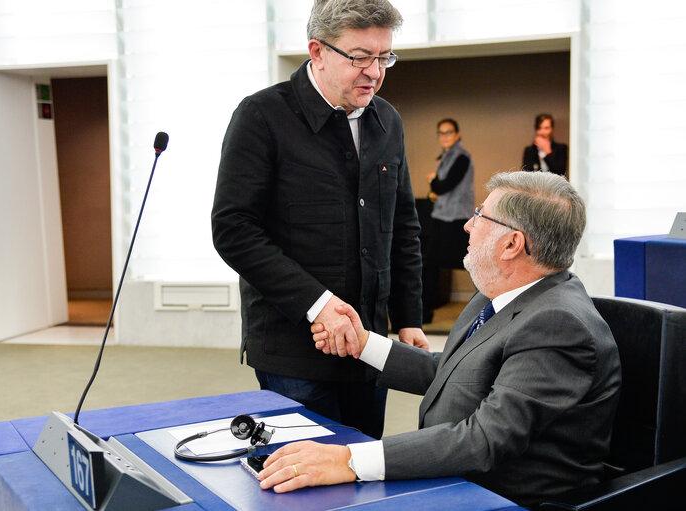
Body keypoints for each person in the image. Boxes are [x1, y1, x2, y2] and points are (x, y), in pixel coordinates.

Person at [256, 171, 622, 508]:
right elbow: (456, 371)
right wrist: (364, 343)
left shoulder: (559, 327)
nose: (467, 225)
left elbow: (484, 440)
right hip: (458, 479)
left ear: (512, 243)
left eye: (480, 215)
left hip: (502, 497)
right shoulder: (500, 292)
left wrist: (349, 459)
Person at [211, 0, 427, 440]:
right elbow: (234, 229)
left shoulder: (388, 120)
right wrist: (318, 304)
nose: (375, 71)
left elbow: (402, 225)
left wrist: (408, 316)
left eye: (384, 56)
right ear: (317, 52)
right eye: (360, 57)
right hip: (294, 350)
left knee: (364, 471)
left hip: (369, 343)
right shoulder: (261, 117)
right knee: (306, 486)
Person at [422, 118, 474, 323]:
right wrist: (435, 189)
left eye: (449, 132)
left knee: (471, 264)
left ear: (458, 134)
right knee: (430, 265)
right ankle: (425, 314)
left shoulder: (461, 157)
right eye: (441, 133)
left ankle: (487, 311)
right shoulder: (446, 157)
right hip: (442, 217)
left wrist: (433, 181)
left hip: (455, 220)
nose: (444, 136)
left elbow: (445, 186)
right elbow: (442, 190)